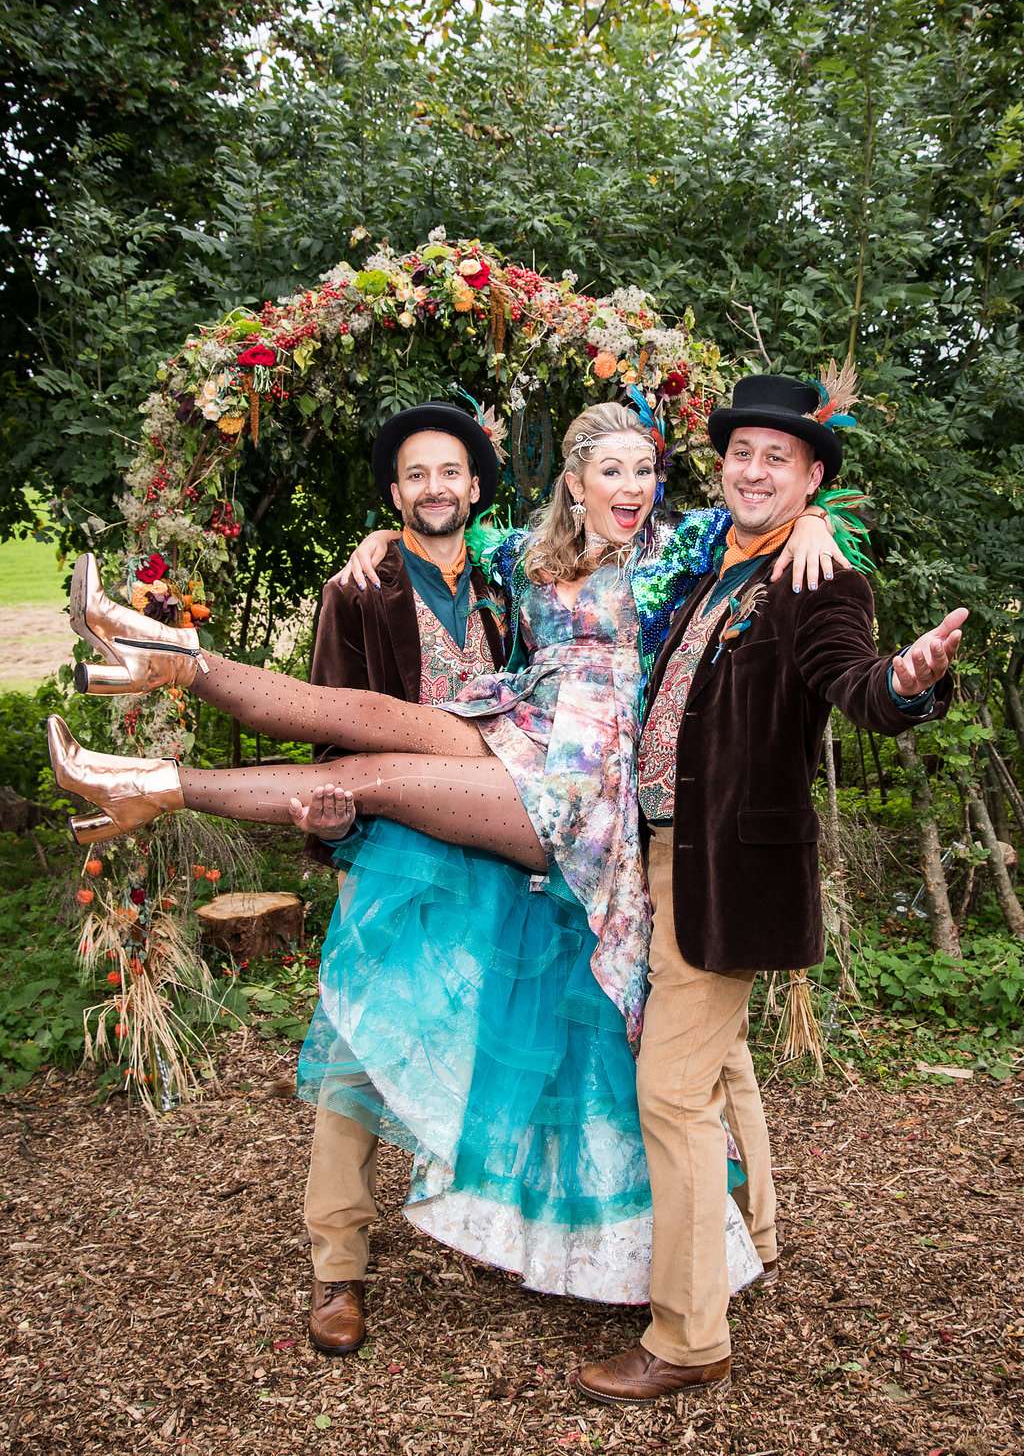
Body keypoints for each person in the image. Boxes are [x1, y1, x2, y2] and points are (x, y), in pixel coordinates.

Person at [48, 396, 844, 1305]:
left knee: (381, 781)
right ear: (574, 483)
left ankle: (157, 783)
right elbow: (436, 538)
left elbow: (762, 517)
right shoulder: (525, 553)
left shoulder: (680, 547)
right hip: (520, 718)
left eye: (643, 471)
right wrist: (380, 539)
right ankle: (163, 668)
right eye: (611, 470)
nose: (631, 487)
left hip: (587, 782)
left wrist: (816, 516)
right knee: (366, 725)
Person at [573, 373, 965, 1405]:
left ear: (812, 477)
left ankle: (688, 1334)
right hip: (661, 860)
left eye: (777, 458)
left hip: (731, 873)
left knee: (671, 1093)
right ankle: (755, 1234)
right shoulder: (715, 564)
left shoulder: (814, 573)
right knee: (718, 1070)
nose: (753, 470)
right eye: (741, 452)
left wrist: (905, 682)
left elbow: (852, 678)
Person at [301, 402, 507, 1355]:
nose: (434, 488)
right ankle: (337, 1264)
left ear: (475, 485)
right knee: (359, 1050)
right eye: (416, 474)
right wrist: (336, 821)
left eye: (449, 471)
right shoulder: (357, 590)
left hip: (495, 845)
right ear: (395, 494)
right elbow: (329, 719)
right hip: (390, 848)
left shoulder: (510, 582)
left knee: (494, 1038)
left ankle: (498, 1230)